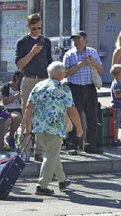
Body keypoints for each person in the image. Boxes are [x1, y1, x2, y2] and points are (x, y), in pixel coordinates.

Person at [23, 61, 82, 196]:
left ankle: (62, 181)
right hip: (55, 126)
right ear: (61, 74)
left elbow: (28, 108)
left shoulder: (39, 85)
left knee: (52, 153)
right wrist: (79, 127)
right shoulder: (63, 88)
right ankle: (42, 185)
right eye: (64, 72)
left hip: (39, 126)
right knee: (50, 154)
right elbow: (72, 110)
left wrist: (27, 127)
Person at [15, 13, 52, 162]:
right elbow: (19, 64)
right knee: (27, 115)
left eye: (39, 28)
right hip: (29, 79)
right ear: (28, 26)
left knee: (42, 115)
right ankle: (26, 149)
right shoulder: (22, 42)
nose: (36, 30)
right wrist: (32, 52)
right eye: (34, 28)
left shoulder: (46, 41)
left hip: (44, 79)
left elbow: (50, 62)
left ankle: (39, 150)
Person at [62, 30, 104, 155]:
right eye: (74, 39)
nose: (76, 42)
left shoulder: (92, 52)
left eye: (78, 39)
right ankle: (72, 144)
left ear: (85, 39)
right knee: (74, 116)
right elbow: (65, 73)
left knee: (92, 117)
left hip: (90, 87)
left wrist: (94, 63)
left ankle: (90, 144)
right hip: (74, 88)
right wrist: (79, 65)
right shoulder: (69, 54)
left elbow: (101, 70)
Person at [0, 71, 23, 149]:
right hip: (9, 109)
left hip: (20, 108)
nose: (17, 85)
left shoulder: (22, 87)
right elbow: (5, 102)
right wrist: (15, 97)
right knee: (16, 118)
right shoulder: (6, 87)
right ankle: (10, 136)